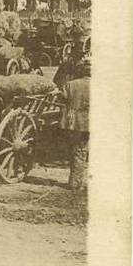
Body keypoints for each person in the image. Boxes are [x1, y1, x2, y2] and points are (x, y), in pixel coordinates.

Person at [60, 57, 90, 192]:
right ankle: (76, 183)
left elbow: (63, 99)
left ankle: (74, 180)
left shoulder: (71, 84)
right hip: (87, 122)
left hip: (72, 122)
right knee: (82, 151)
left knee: (75, 150)